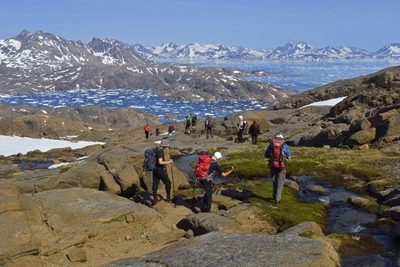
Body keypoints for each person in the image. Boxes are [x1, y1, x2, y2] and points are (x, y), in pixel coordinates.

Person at [264, 134, 292, 204]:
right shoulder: (284, 145)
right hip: (281, 166)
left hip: (272, 165)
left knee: (274, 181)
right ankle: (277, 199)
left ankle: (274, 195)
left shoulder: (271, 145)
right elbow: (289, 156)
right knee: (280, 182)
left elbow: (266, 155)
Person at [152, 139, 173, 205]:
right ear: (165, 146)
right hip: (159, 170)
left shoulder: (156, 149)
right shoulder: (161, 151)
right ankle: (168, 198)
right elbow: (160, 162)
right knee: (168, 182)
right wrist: (169, 162)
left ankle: (155, 199)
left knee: (155, 184)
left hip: (154, 169)